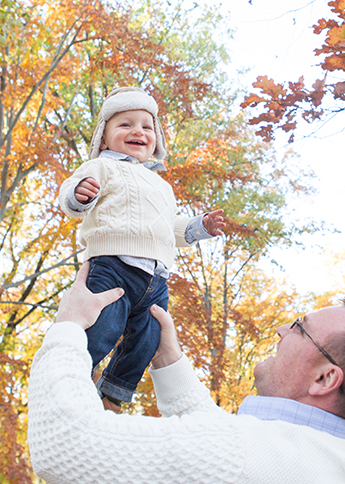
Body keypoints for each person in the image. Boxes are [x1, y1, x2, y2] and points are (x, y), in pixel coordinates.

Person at [27, 262, 345, 484]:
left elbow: (63, 443)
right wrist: (168, 358)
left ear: (325, 378)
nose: (281, 331)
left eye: (298, 327)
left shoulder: (245, 454)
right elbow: (226, 452)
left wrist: (69, 327)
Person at [56, 86, 226, 411]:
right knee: (102, 327)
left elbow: (169, 229)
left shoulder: (162, 186)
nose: (138, 131)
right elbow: (70, 196)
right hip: (113, 265)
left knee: (147, 341)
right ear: (104, 139)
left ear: (156, 139)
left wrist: (198, 227)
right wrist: (80, 193)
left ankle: (113, 396)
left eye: (147, 127)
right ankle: (73, 380)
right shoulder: (103, 167)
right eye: (125, 124)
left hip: (156, 279)